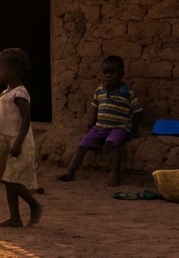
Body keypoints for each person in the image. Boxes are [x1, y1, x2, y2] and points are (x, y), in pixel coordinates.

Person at [57, 55, 142, 187]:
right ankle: (70, 173)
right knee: (82, 145)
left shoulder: (126, 92)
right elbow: (94, 108)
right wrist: (91, 125)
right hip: (100, 127)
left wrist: (133, 131)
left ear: (122, 74)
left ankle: (115, 175)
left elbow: (137, 111)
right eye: (105, 73)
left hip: (119, 127)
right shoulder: (99, 90)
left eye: (112, 73)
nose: (108, 76)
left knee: (112, 144)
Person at [0, 48, 42, 227]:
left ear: (13, 72)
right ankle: (15, 217)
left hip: (15, 142)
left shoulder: (19, 94)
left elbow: (26, 119)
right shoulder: (7, 93)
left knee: (11, 179)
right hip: (3, 141)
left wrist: (17, 142)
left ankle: (34, 204)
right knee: (5, 179)